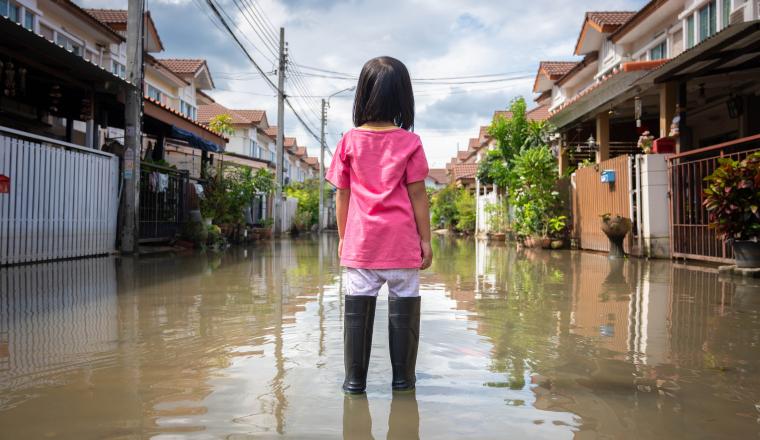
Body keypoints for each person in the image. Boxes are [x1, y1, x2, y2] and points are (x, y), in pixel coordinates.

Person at [325, 56, 432, 394]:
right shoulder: (410, 143)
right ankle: (404, 383)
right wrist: (426, 242)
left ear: (362, 94)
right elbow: (419, 197)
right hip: (402, 246)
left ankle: (354, 383)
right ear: (404, 98)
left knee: (357, 312)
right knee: (405, 309)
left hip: (362, 246)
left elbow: (341, 197)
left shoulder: (348, 142)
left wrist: (343, 238)